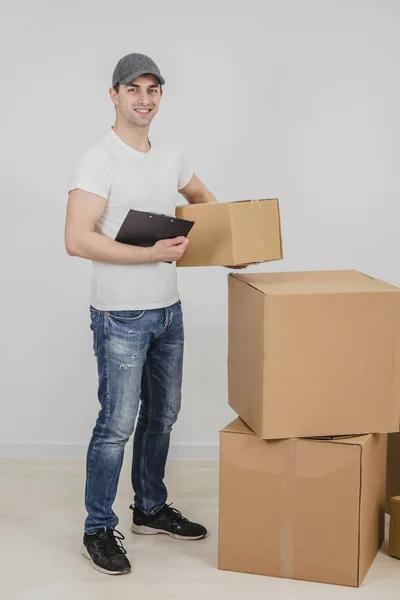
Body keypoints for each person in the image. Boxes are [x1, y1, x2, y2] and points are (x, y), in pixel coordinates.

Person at [64, 52, 218, 576]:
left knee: (163, 415)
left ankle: (150, 508)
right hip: (120, 317)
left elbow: (202, 201)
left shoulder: (171, 154)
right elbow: (76, 239)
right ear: (114, 95)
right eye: (133, 89)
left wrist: (230, 240)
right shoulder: (99, 158)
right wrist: (151, 254)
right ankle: (97, 528)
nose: (144, 99)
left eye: (153, 89)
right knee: (116, 425)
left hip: (167, 311)